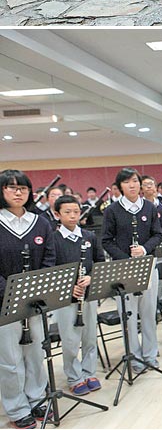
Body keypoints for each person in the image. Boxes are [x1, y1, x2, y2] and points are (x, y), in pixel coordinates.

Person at [0, 170, 56, 429]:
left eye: (23, 187)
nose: (18, 192)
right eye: (11, 187)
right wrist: (10, 293)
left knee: (35, 354)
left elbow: (49, 258)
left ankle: (36, 398)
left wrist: (36, 291)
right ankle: (16, 406)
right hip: (4, 304)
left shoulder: (41, 222)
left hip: (35, 302)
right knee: (10, 360)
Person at [101, 167, 162, 372]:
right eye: (127, 182)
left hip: (148, 266)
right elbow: (107, 241)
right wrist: (126, 258)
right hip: (124, 269)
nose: (133, 185)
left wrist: (144, 249)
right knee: (129, 315)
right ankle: (134, 357)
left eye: (135, 181)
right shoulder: (112, 210)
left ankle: (150, 354)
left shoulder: (150, 207)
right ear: (120, 187)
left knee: (148, 313)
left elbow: (158, 234)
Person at [52, 195, 104, 396]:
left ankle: (89, 372)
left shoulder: (89, 237)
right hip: (66, 298)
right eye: (67, 212)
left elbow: (99, 262)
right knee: (71, 340)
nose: (73, 216)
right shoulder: (54, 239)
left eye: (76, 211)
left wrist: (91, 277)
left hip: (88, 295)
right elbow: (52, 269)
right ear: (57, 214)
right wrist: (68, 286)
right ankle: (74, 377)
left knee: (90, 337)